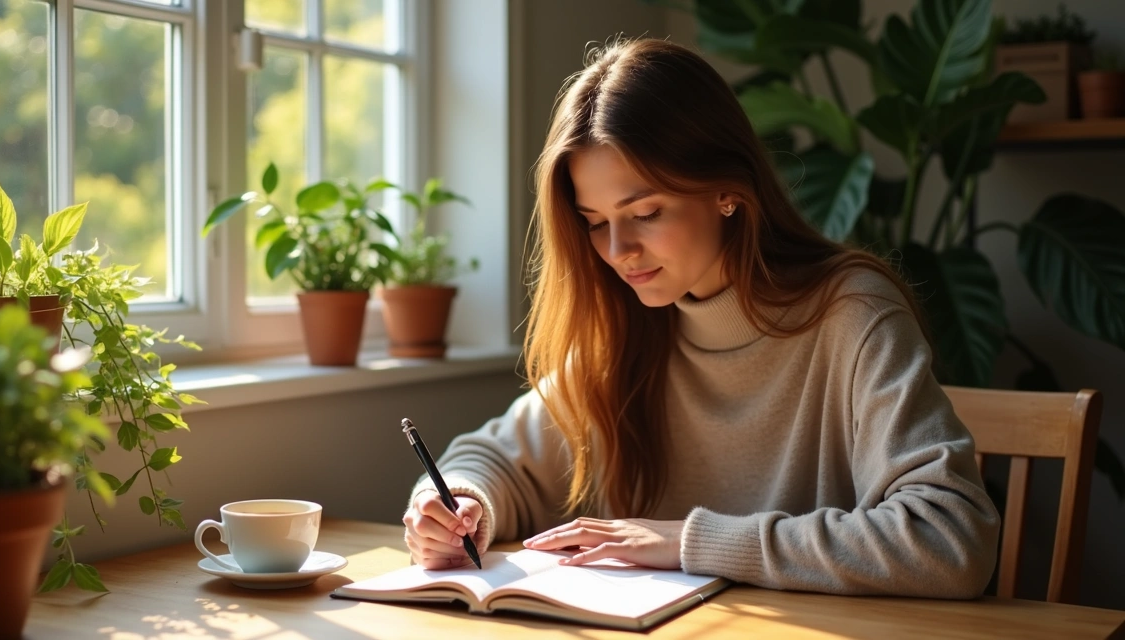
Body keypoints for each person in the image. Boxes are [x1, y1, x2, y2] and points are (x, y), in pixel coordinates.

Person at [402, 38, 1000, 598]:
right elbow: (497, 457)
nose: (617, 251)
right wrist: (455, 502)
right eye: (593, 220)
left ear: (726, 190)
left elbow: (950, 537)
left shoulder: (852, 315)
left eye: (646, 211)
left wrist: (690, 542)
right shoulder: (630, 324)